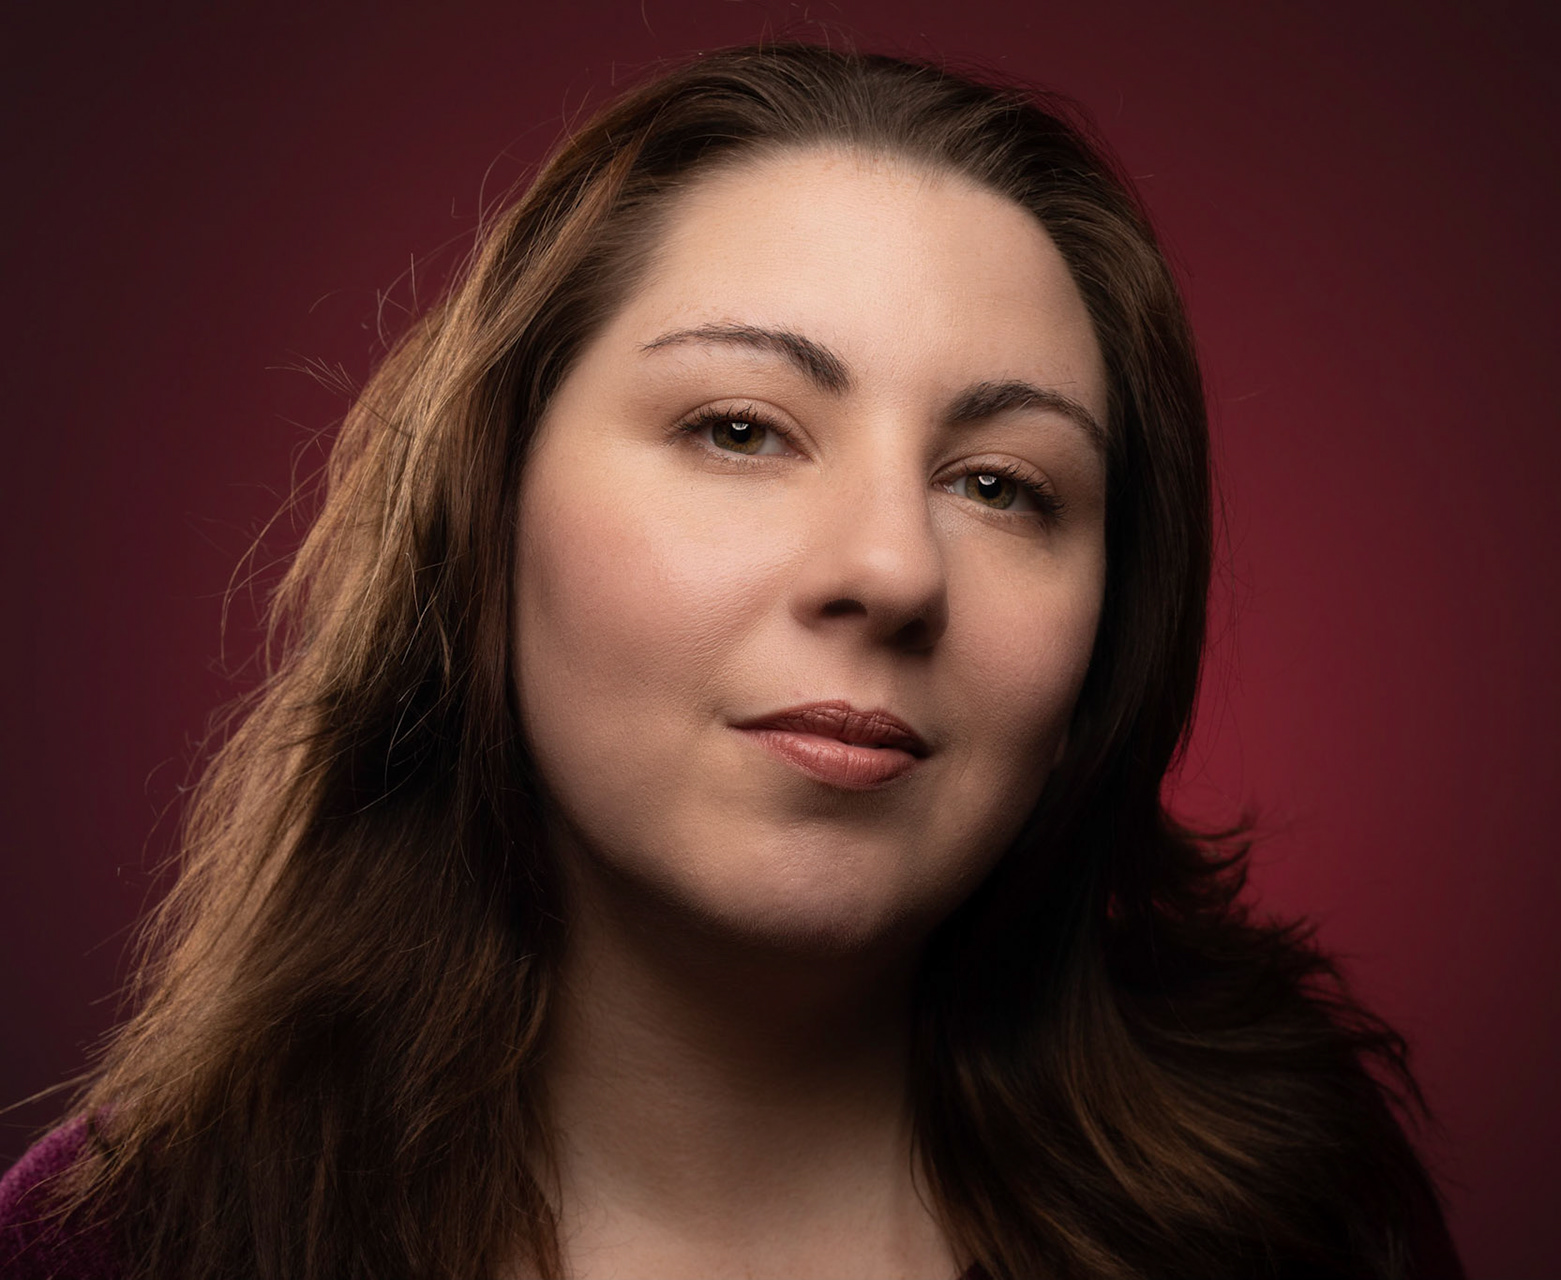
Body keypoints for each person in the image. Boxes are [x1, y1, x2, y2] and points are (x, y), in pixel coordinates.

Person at [0, 43, 1462, 1280]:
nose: (891, 570)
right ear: (487, 514)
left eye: (1002, 485)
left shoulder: (1293, 1226)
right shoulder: (127, 1245)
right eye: (742, 429)